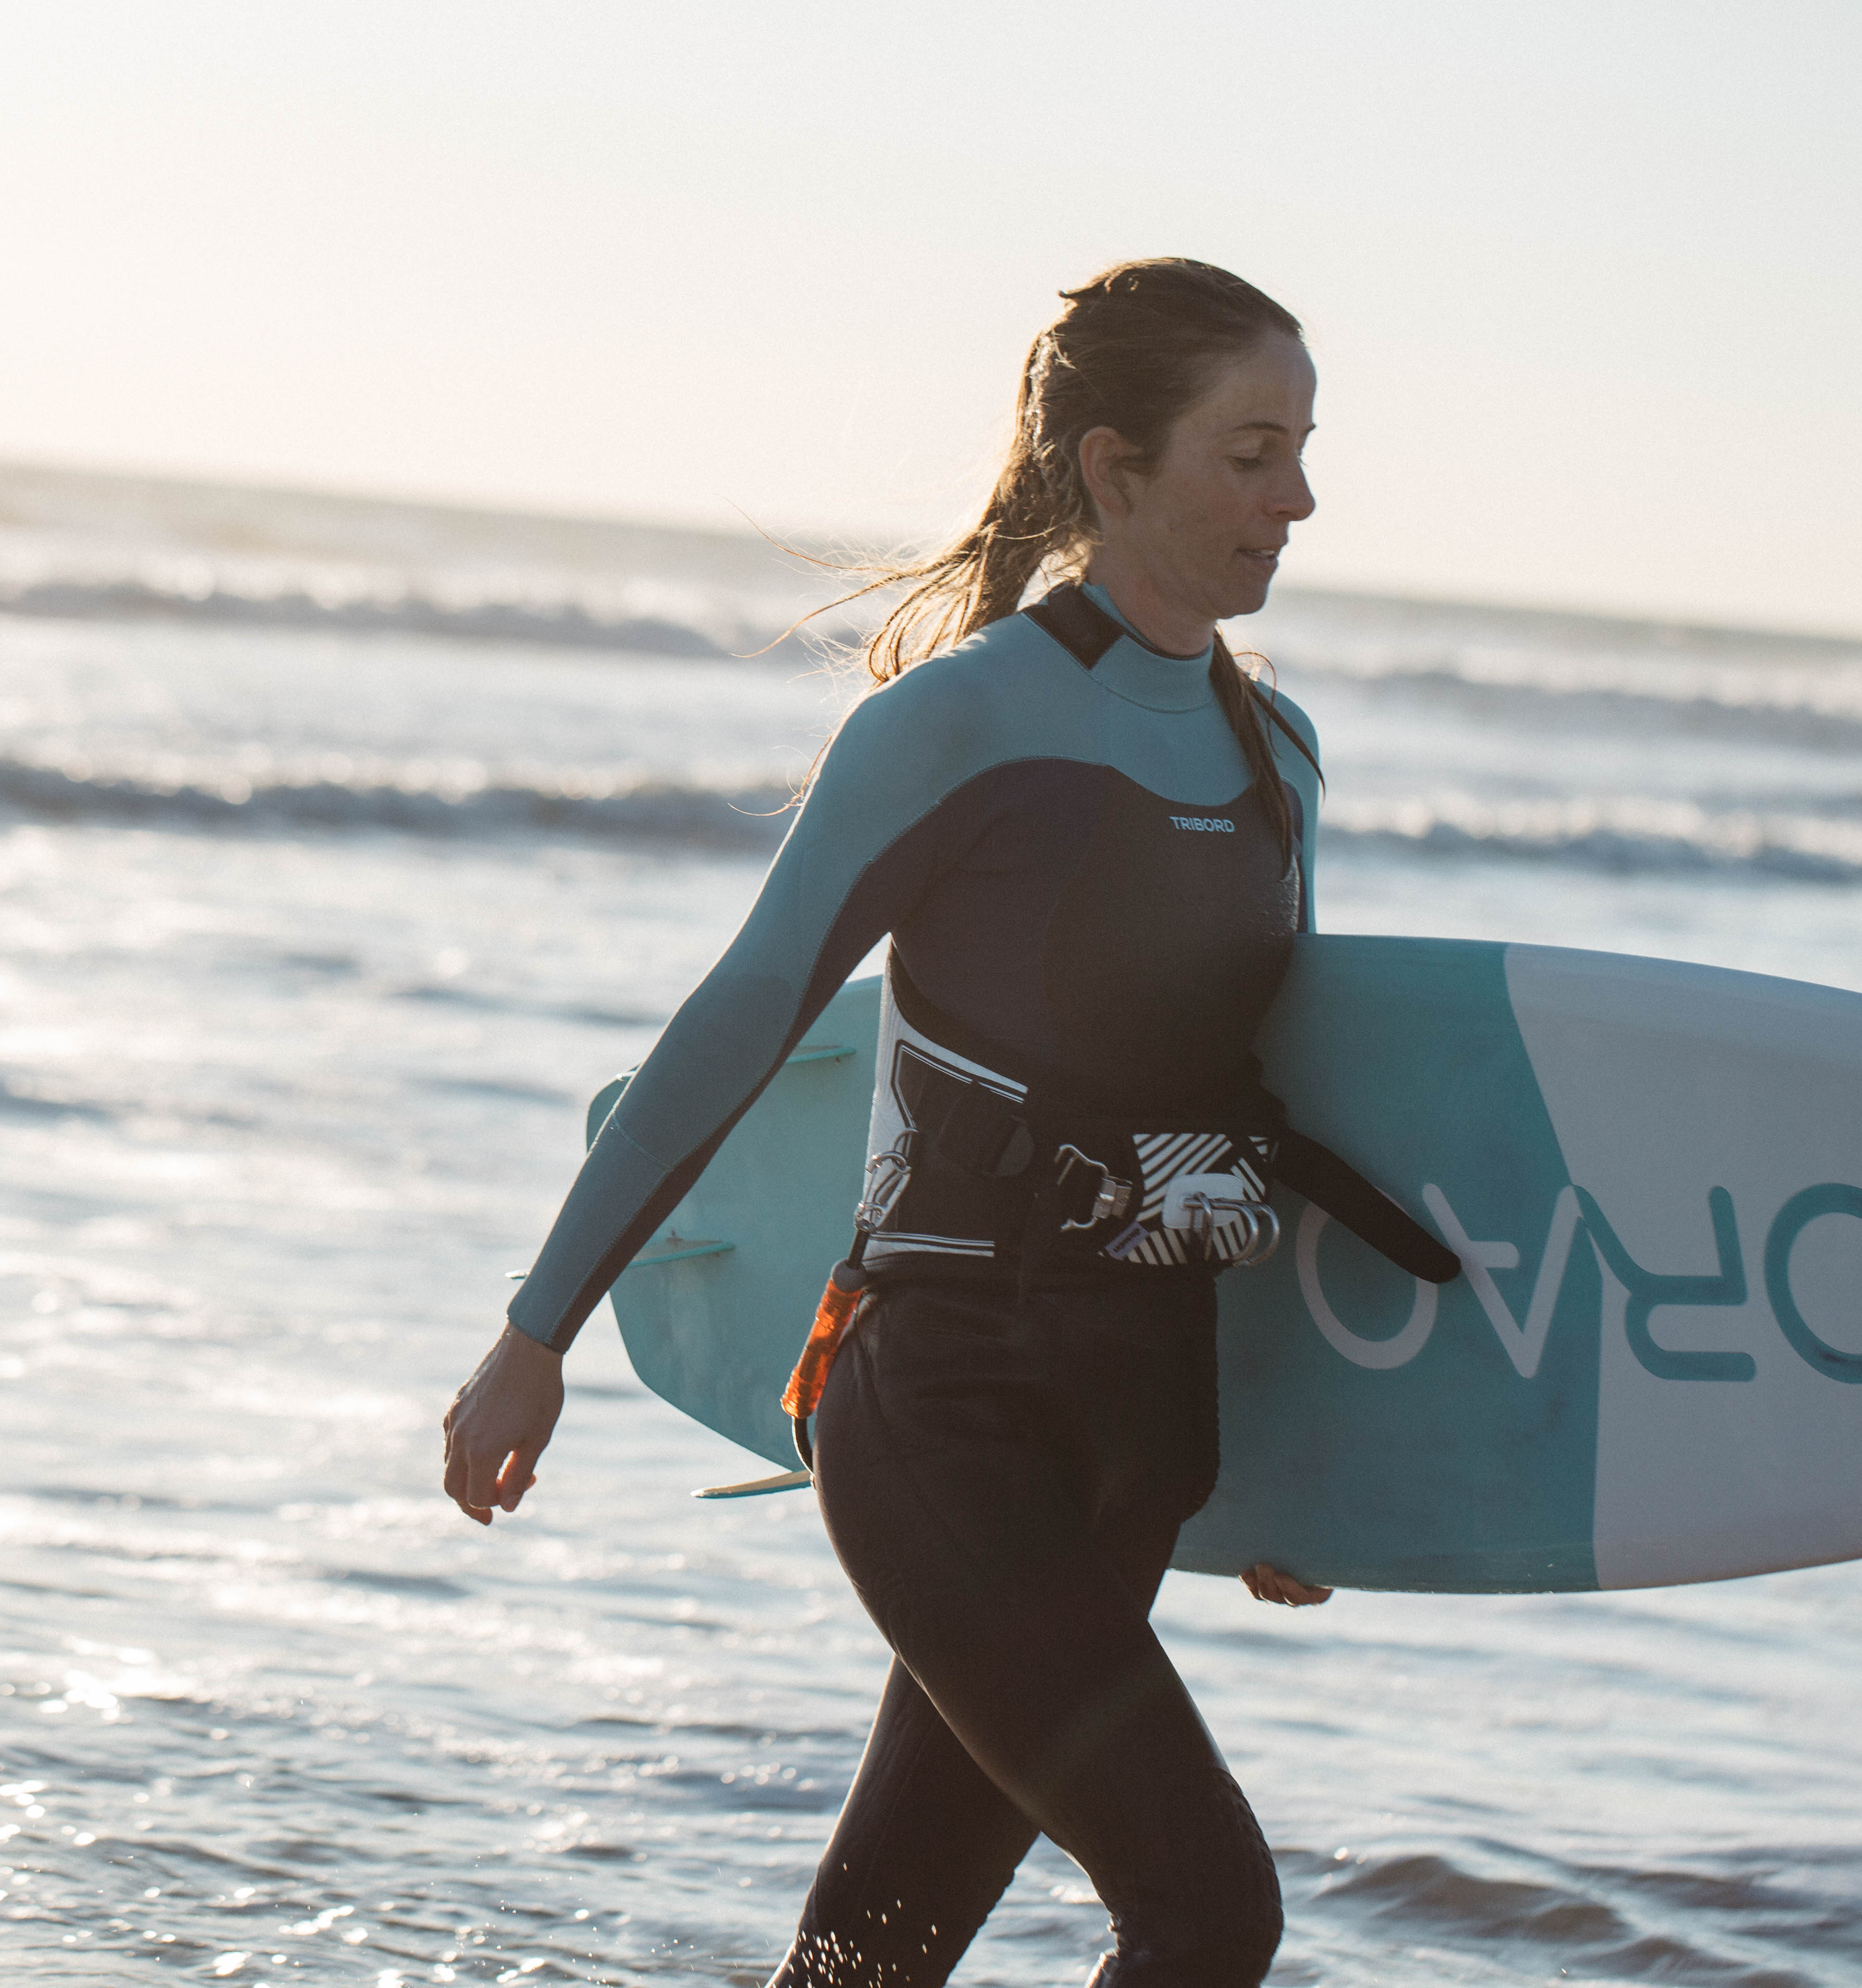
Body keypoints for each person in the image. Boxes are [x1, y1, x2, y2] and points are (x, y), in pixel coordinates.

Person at [443, 259, 1362, 1986]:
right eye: (1251, 452)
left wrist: (1330, 1474)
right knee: (1208, 1909)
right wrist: (535, 1332)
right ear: (1114, 467)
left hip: (1141, 1428)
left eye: (1303, 449)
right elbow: (742, 1017)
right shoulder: (959, 721)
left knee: (871, 1957)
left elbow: (1280, 1106)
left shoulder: (1277, 756)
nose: (1296, 498)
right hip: (948, 1399)